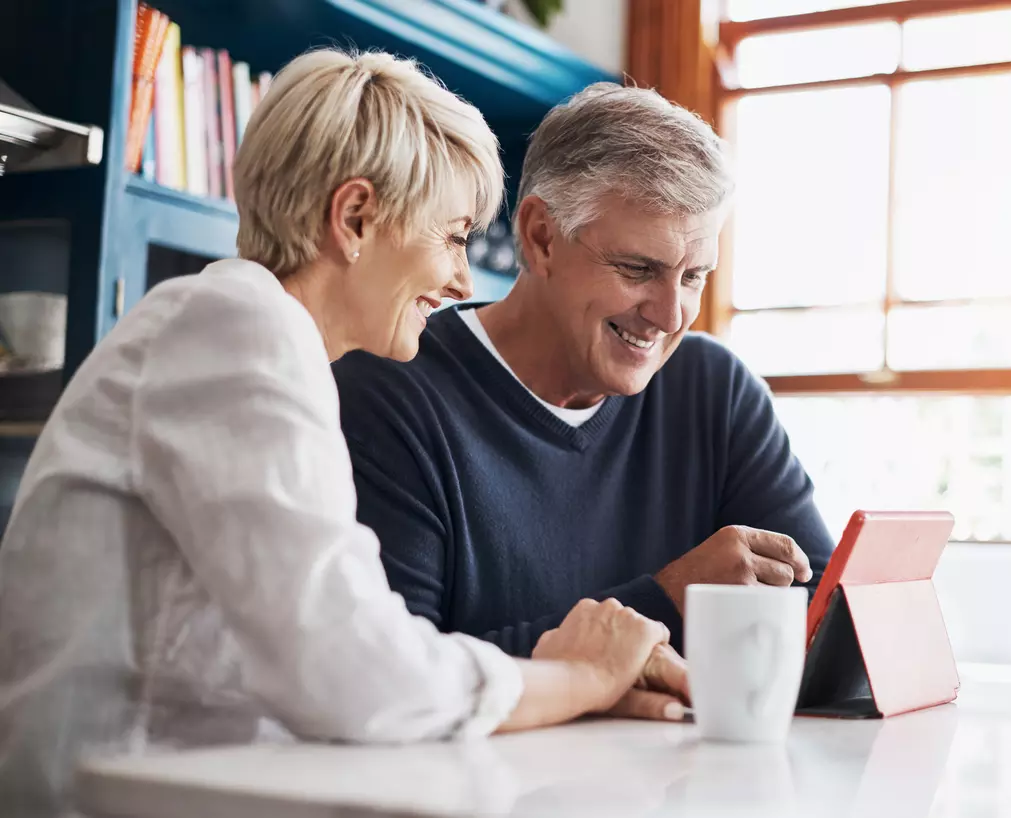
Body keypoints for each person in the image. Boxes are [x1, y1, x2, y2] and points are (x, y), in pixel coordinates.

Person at [0, 50, 686, 818]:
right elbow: (356, 672)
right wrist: (579, 678)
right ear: (354, 218)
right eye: (454, 236)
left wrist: (570, 684)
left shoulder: (255, 339)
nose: (464, 281)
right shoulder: (236, 328)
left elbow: (346, 652)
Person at [331, 83, 837, 658]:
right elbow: (400, 678)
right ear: (542, 237)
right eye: (638, 268)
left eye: (694, 276)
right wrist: (665, 600)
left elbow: (824, 616)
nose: (670, 315)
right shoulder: (386, 392)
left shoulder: (714, 391)